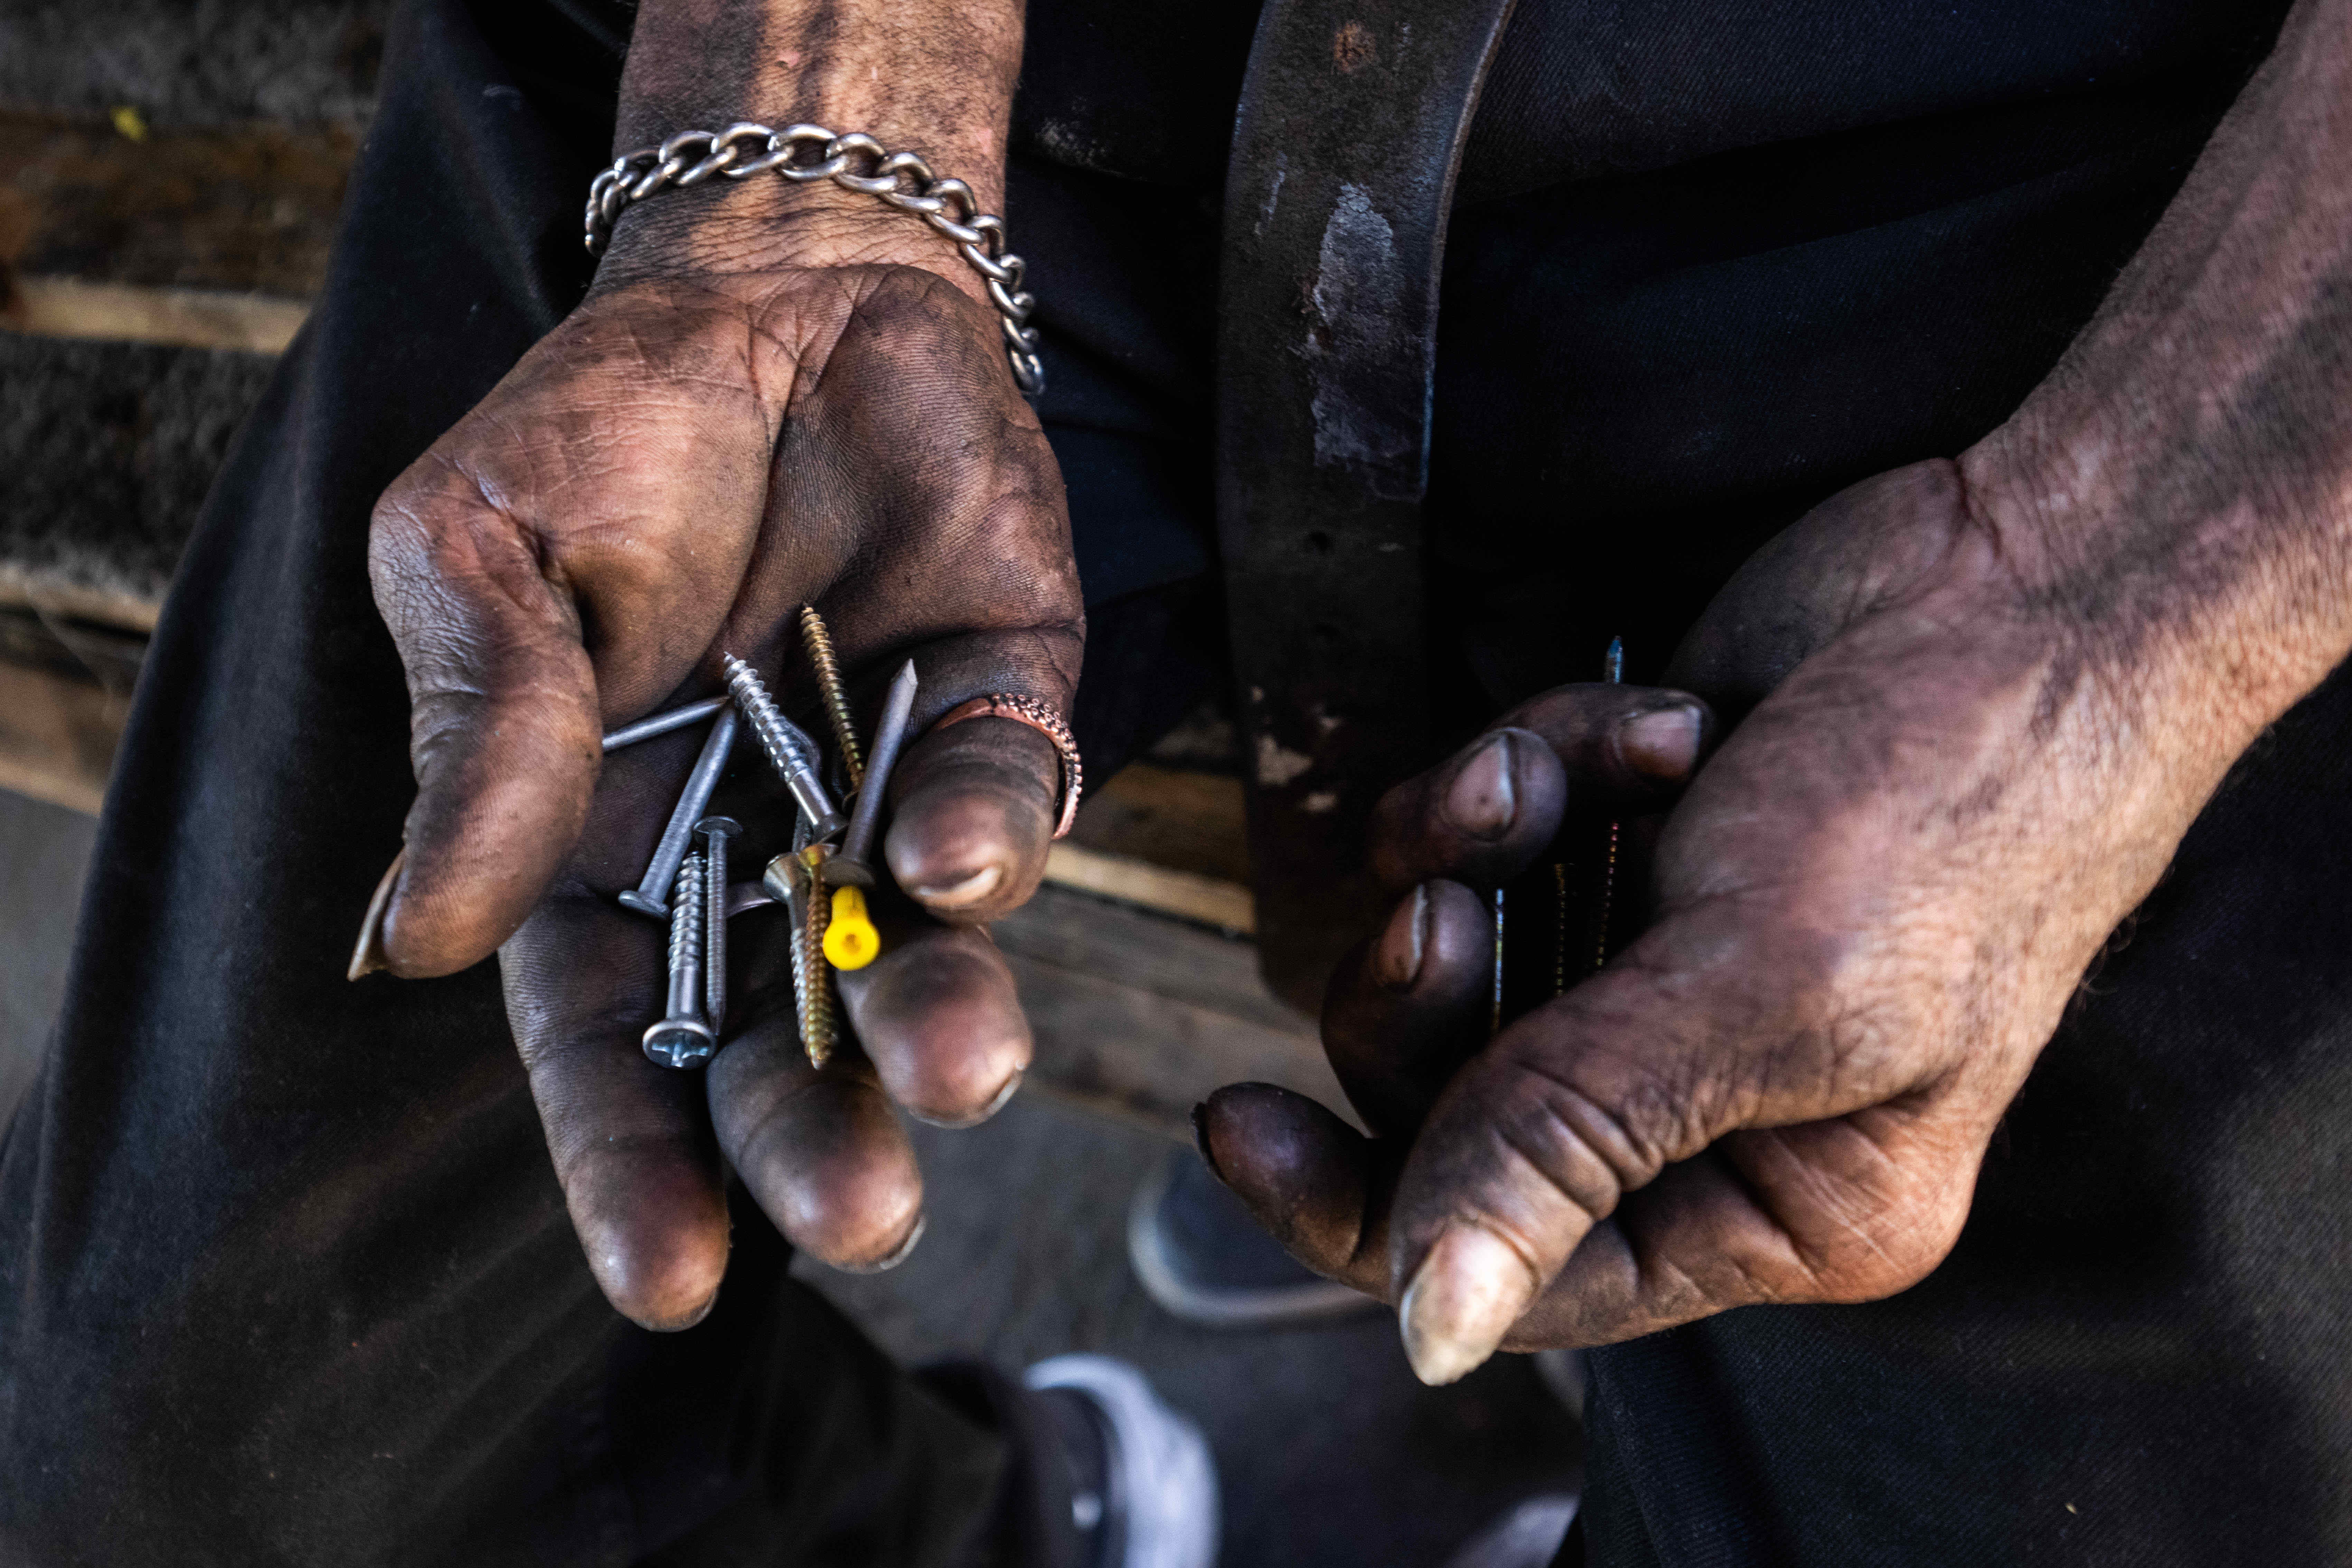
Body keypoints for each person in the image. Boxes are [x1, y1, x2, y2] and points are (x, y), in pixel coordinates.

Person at [2, 0, 2348, 1563]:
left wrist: (2094, 603)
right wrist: (805, 153)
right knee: (184, 1431)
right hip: (949, 95)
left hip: (2112, 239)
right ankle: (1053, 1519)